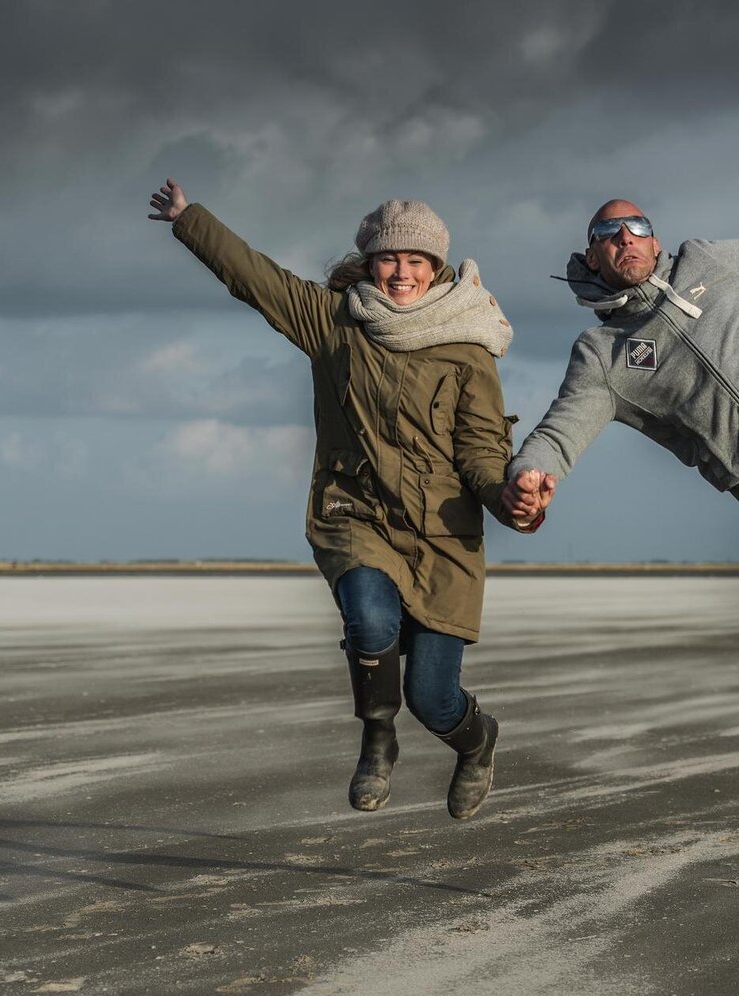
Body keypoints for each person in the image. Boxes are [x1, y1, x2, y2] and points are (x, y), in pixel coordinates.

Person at [148, 178, 542, 819]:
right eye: (390, 258)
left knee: (433, 697)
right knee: (369, 618)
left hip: (442, 537)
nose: (401, 273)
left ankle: (476, 741)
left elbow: (480, 455)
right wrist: (191, 220)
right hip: (355, 514)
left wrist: (512, 499)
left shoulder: (469, 348)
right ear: (368, 262)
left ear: (436, 268)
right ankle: (376, 740)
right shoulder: (335, 323)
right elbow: (257, 279)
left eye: (416, 261)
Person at [503, 199, 739, 520]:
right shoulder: (602, 353)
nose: (625, 237)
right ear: (592, 258)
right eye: (608, 231)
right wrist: (528, 474)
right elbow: (557, 437)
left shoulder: (705, 258)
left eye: (638, 227)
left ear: (655, 244)